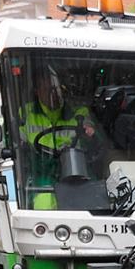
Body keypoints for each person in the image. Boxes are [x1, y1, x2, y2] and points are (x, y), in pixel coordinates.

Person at [19, 67, 99, 209]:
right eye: (47, 88)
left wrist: (90, 132)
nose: (53, 93)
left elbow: (95, 138)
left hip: (76, 171)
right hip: (41, 172)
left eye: (55, 88)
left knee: (95, 201)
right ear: (37, 92)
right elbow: (13, 141)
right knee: (44, 202)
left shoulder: (78, 113)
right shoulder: (25, 114)